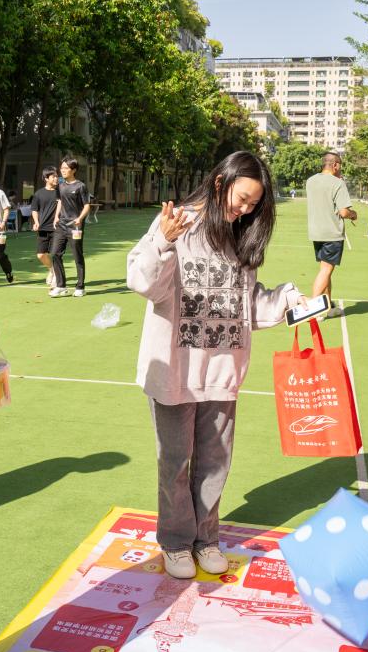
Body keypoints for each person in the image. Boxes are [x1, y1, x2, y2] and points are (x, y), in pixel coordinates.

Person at [127, 151, 305, 580]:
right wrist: (162, 241)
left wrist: (288, 299)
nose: (244, 210)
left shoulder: (240, 237)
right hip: (174, 371)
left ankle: (205, 539)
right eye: (241, 199)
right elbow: (142, 281)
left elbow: (246, 306)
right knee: (175, 462)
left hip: (222, 372)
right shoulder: (178, 223)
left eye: (253, 205)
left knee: (214, 462)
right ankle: (175, 542)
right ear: (221, 182)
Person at [305, 151, 355, 317]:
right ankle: (312, 309)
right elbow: (344, 212)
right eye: (340, 165)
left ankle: (328, 307)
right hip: (332, 233)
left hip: (316, 232)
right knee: (326, 271)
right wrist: (353, 214)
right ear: (335, 165)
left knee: (325, 270)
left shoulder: (310, 181)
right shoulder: (338, 183)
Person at [50, 156, 90, 297]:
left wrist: (79, 218)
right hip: (61, 224)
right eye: (61, 168)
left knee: (77, 255)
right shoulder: (60, 185)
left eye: (66, 168)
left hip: (75, 226)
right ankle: (61, 286)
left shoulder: (80, 186)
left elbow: (87, 206)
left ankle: (80, 287)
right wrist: (56, 216)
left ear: (73, 170)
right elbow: (60, 201)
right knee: (55, 253)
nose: (63, 170)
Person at [31, 166, 60, 287]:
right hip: (42, 228)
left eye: (57, 176)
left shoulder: (60, 192)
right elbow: (34, 209)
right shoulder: (38, 194)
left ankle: (57, 277)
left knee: (55, 254)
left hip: (57, 228)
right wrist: (36, 222)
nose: (56, 178)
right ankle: (52, 270)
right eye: (53, 176)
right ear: (46, 178)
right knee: (41, 255)